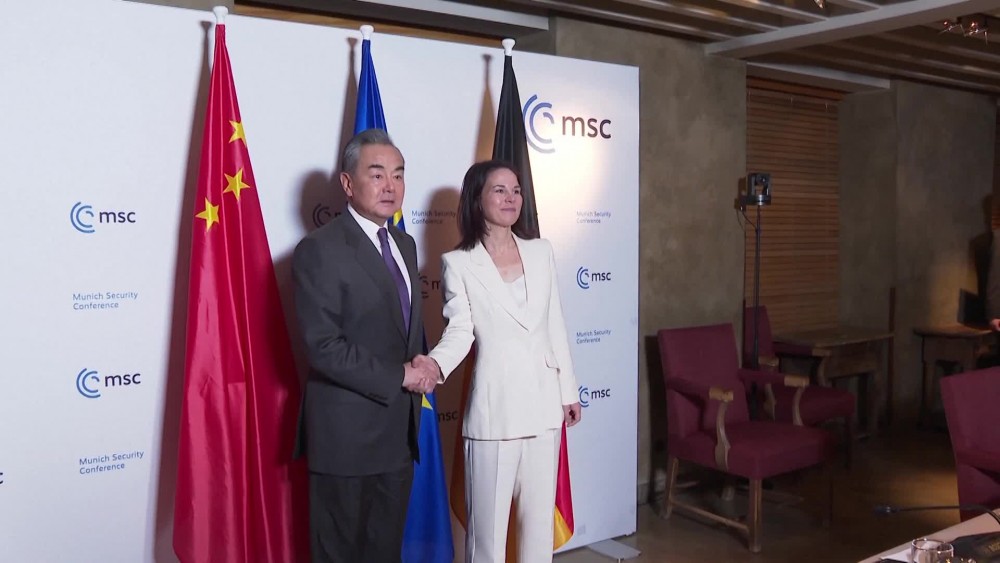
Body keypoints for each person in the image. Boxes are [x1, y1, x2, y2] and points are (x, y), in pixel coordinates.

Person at [415, 160, 582, 563]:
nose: (511, 198)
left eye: (516, 190)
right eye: (499, 190)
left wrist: (568, 391)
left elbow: (554, 324)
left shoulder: (541, 252)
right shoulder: (458, 263)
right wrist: (434, 366)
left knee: (538, 531)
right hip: (494, 415)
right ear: (477, 198)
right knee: (487, 539)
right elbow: (460, 332)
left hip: (544, 408)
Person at [292, 128, 438, 563]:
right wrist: (400, 375)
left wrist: (421, 363)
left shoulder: (405, 245)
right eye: (377, 175)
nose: (390, 186)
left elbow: (399, 330)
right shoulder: (319, 249)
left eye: (398, 174)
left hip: (397, 435)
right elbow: (323, 346)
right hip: (346, 440)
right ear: (347, 183)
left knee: (384, 553)